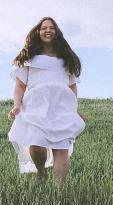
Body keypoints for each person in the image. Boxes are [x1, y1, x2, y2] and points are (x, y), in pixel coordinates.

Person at [8, 17, 85, 184]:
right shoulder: (29, 56)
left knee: (61, 148)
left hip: (61, 107)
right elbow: (20, 85)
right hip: (36, 105)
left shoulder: (66, 58)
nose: (48, 30)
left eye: (51, 28)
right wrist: (16, 105)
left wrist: (73, 109)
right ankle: (41, 171)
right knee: (36, 143)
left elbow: (72, 87)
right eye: (44, 28)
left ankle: (60, 192)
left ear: (56, 32)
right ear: (38, 31)